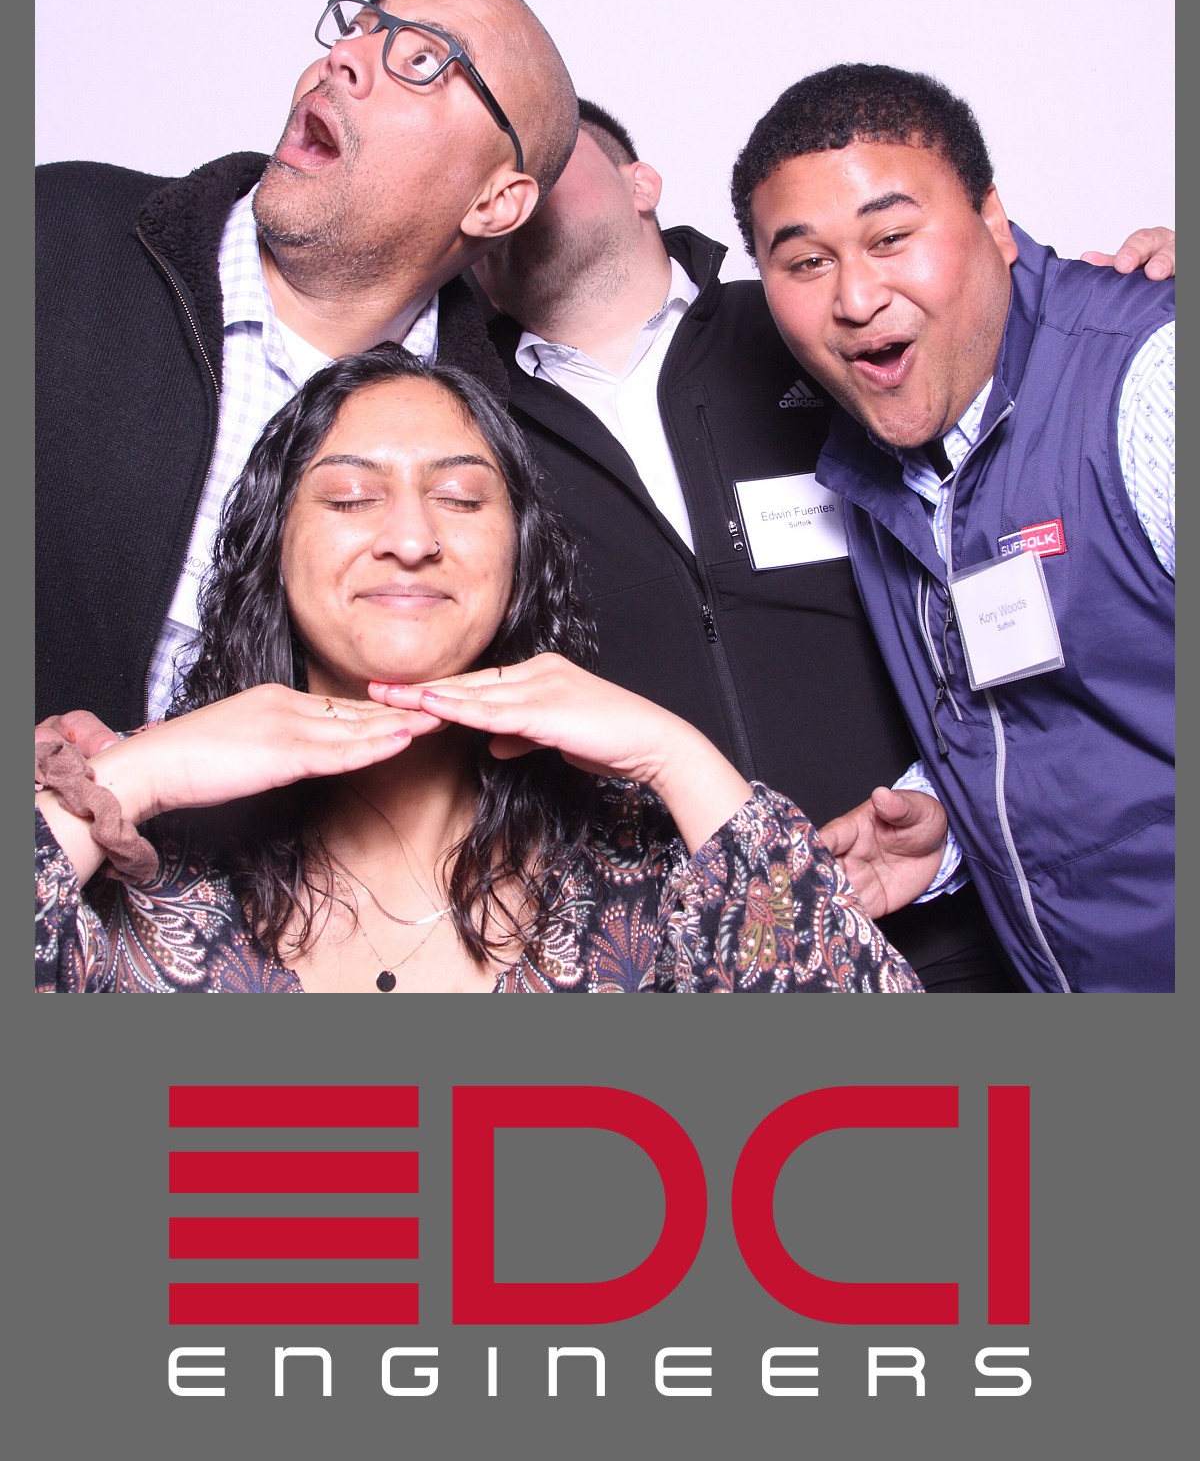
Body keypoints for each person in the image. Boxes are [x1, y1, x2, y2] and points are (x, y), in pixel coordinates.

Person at [35, 347, 916, 998]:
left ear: (520, 558)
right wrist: (131, 780)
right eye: (350, 498)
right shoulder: (132, 844)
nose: (411, 538)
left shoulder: (645, 865)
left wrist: (678, 756)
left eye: (460, 499)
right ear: (273, 546)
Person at [481, 98, 1012, 988]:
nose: (512, 188)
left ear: (642, 183)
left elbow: (1008, 412)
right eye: (482, 179)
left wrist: (1124, 283)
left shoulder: (820, 323)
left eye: (541, 156)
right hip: (662, 966)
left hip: (928, 914)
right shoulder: (452, 410)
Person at [35, 0, 578, 728]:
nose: (344, 57)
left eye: (425, 59)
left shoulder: (511, 453)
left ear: (495, 202)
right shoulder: (52, 235)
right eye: (359, 27)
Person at [732, 63, 1174, 992]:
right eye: (807, 263)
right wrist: (953, 826)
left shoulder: (1149, 381)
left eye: (891, 237)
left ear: (994, 221)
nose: (856, 298)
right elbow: (1058, 711)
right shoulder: (874, 460)